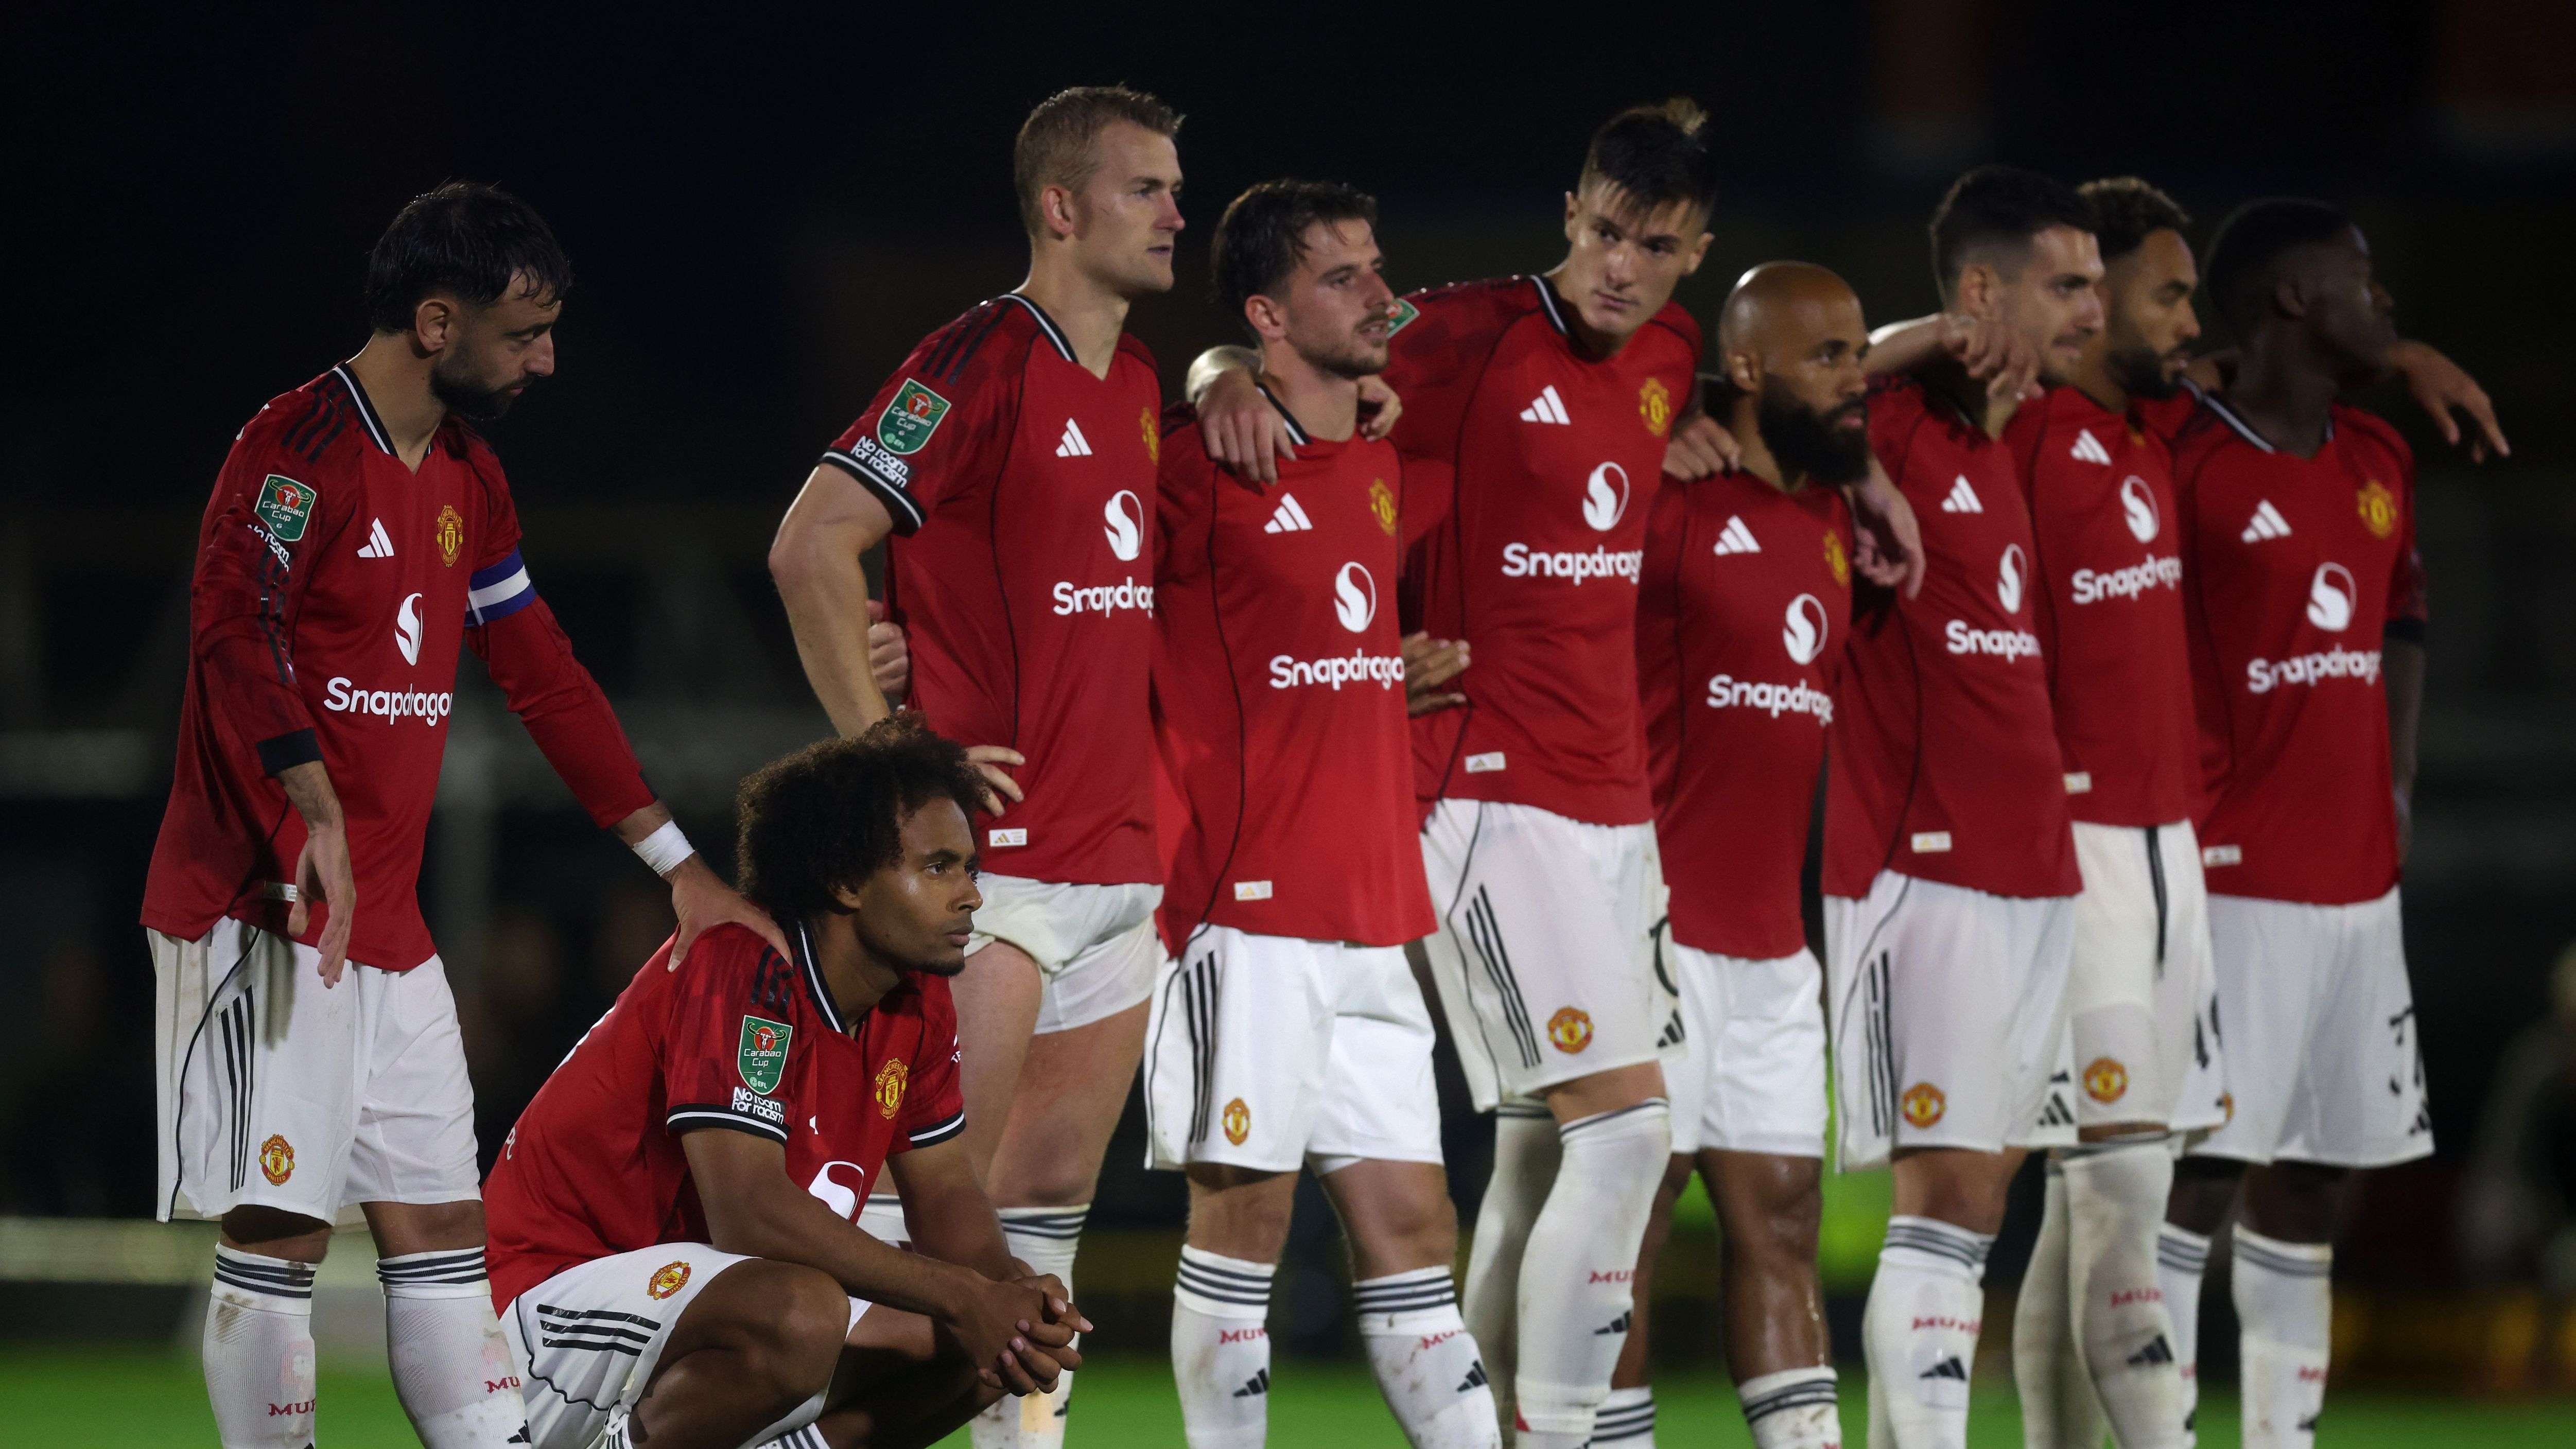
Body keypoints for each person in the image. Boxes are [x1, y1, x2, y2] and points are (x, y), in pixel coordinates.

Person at [140, 182, 779, 1449]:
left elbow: (542, 671)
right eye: (523, 333)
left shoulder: (471, 478)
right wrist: (313, 803)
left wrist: (676, 861)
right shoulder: (293, 447)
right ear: (437, 322)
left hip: (389, 926)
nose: (545, 360)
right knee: (279, 1237)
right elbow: (233, 632)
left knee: (440, 1232)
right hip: (265, 909)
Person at [768, 84, 1184, 1447]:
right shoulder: (976, 358)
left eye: (1175, 190)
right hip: (994, 881)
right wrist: (888, 757)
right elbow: (811, 544)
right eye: (1145, 189)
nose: (1174, 214)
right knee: (923, 1236)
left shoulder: (1138, 383)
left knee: (1041, 1228)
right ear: (1060, 206)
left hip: (1117, 872)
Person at [1144, 178, 1497, 1449]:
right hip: (1244, 906)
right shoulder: (1194, 467)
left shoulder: (1383, 462)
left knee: (1416, 1230)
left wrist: (1374, 681)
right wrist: (909, 636)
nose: (1379, 294)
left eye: (1376, 265)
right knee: (1242, 1221)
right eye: (1341, 277)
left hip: (1371, 913)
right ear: (1267, 314)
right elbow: (1061, 578)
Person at [483, 720, 1086, 1449]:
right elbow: (750, 1213)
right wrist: (966, 1295)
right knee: (802, 1312)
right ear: (845, 881)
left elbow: (946, 1190)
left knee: (983, 1346)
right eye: (938, 868)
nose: (970, 897)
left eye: (970, 869)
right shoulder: (743, 961)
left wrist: (1004, 1296)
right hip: (542, 1313)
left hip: (692, 1317)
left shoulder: (914, 995)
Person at [1824, 164, 2099, 1448]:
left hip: (2033, 868)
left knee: (1979, 1208)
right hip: (1921, 865)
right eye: (2068, 284)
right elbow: (1785, 383)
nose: (2092, 308)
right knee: (1940, 1204)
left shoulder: (1999, 445)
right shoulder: (1884, 424)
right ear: (1982, 293)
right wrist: (1923, 338)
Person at [2158, 198, 2433, 1449]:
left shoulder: (2378, 456)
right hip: (2234, 875)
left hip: (2358, 885)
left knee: (2315, 1179)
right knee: (2201, 1174)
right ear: (2292, 297)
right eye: (2361, 278)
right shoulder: (2183, 454)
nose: (2385, 301)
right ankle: (2153, 1430)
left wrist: (2399, 778)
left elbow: (2404, 615)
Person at [1604, 261, 1866, 1449]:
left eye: (1862, 354)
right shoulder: (1666, 497)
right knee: (1627, 1226)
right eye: (1830, 356)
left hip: (1773, 945)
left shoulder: (1836, 521)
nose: (1857, 379)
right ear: (1749, 367)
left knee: (1786, 1221)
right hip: (1651, 930)